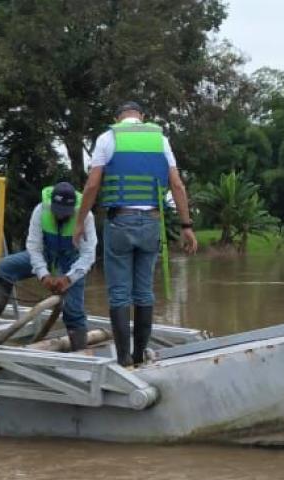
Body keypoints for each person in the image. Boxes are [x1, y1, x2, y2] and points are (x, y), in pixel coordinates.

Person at [75, 101, 197, 367]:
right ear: (141, 116)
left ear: (118, 117)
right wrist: (186, 226)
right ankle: (141, 356)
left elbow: (93, 183)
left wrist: (80, 221)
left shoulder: (108, 138)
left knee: (119, 294)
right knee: (144, 293)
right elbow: (176, 184)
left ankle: (123, 359)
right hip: (152, 223)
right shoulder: (160, 140)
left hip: (120, 221)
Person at [0, 181, 98, 351]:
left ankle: (80, 352)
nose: (61, 216)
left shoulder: (86, 216)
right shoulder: (40, 210)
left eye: (66, 213)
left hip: (72, 260)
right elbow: (34, 247)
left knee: (73, 310)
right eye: (58, 212)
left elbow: (88, 255)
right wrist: (43, 274)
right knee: (6, 267)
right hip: (46, 254)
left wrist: (69, 278)